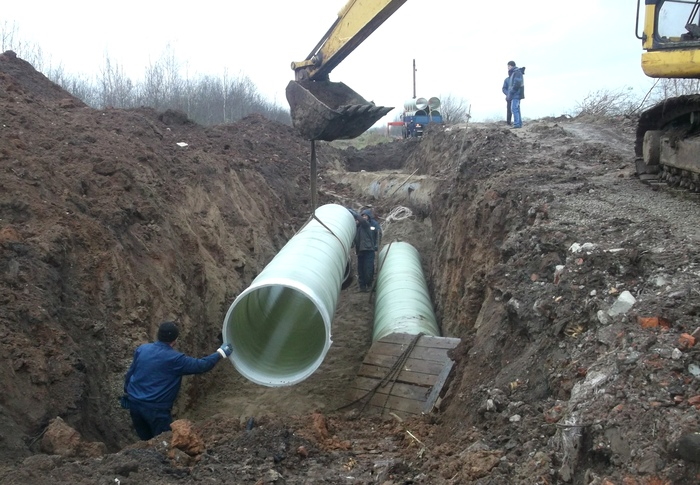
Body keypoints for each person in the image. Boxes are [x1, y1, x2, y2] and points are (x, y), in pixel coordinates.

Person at [121, 321, 232, 440]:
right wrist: (221, 353)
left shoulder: (142, 349)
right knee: (162, 442)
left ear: (158, 335)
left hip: (135, 405)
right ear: (175, 340)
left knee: (145, 441)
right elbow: (201, 366)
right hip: (156, 411)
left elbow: (130, 373)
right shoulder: (175, 359)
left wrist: (127, 393)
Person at [349, 208, 378, 292]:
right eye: (363, 216)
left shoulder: (367, 225)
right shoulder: (358, 228)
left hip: (368, 250)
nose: (364, 217)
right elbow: (354, 239)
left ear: (368, 217)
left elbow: (362, 221)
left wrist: (353, 213)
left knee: (368, 269)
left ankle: (369, 285)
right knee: (360, 270)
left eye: (365, 216)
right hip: (360, 251)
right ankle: (362, 287)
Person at [505, 61, 526, 129]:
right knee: (516, 108)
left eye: (508, 66)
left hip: (516, 94)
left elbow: (517, 83)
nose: (508, 68)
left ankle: (517, 124)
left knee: (514, 108)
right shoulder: (515, 72)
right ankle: (519, 123)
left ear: (511, 66)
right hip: (516, 93)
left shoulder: (516, 72)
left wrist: (511, 92)